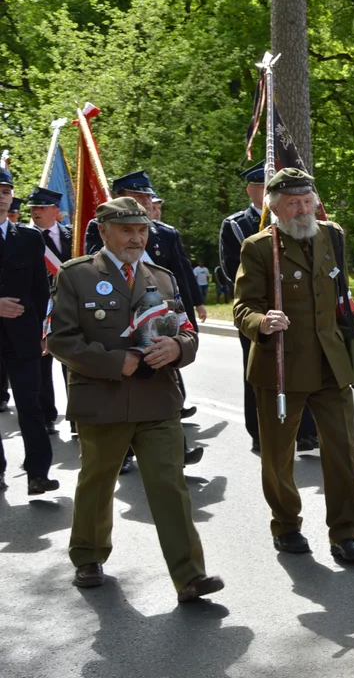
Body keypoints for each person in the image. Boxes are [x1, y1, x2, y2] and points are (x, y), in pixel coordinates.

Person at [48, 196, 223, 601]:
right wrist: (115, 362)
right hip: (103, 398)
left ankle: (190, 576)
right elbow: (59, 339)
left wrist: (178, 349)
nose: (135, 237)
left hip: (157, 398)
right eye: (127, 230)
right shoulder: (76, 276)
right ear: (104, 231)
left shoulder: (161, 277)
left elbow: (186, 330)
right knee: (98, 481)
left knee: (170, 485)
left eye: (141, 230)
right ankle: (89, 557)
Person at [233, 168, 354, 562]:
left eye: (307, 201)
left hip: (331, 364)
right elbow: (243, 307)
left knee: (342, 452)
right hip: (281, 366)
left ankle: (345, 533)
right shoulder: (259, 248)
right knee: (278, 455)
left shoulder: (332, 236)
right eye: (292, 203)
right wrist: (262, 322)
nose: (302, 209)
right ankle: (286, 524)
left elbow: (339, 292)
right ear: (273, 207)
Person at [84, 170, 205, 471]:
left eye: (148, 197)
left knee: (166, 378)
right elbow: (94, 266)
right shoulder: (98, 227)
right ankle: (122, 454)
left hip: (159, 318)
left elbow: (180, 273)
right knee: (122, 387)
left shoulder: (166, 232)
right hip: (117, 317)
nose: (145, 202)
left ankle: (177, 447)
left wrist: (194, 310)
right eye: (138, 197)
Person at [219, 161, 319, 454]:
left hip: (296, 309)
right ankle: (260, 431)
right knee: (260, 374)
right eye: (263, 186)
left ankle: (305, 431)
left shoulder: (308, 224)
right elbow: (230, 268)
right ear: (254, 191)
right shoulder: (237, 224)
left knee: (303, 369)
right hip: (258, 309)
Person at [0, 170, 57, 494]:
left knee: (30, 406)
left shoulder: (29, 238)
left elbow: (41, 292)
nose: (2, 194)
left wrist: (44, 332)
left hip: (24, 337)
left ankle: (38, 474)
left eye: (6, 189)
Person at [27, 186, 73, 436]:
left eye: (42, 207)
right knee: (42, 370)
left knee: (75, 366)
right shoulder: (23, 237)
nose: (36, 212)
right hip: (39, 311)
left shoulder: (72, 236)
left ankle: (78, 418)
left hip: (71, 310)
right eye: (33, 208)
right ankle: (47, 416)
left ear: (56, 211)